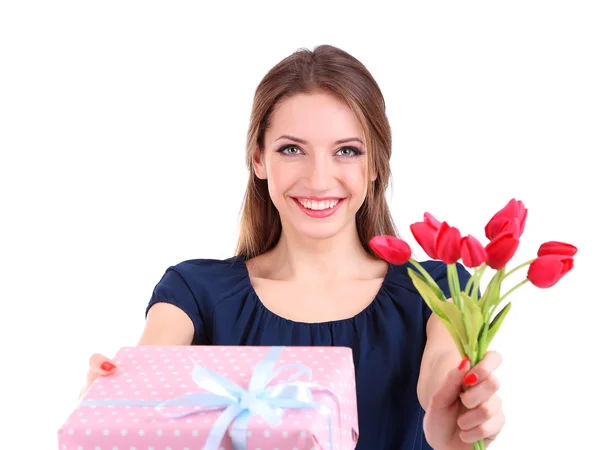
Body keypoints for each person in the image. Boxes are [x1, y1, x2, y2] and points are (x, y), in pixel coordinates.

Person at [81, 44, 505, 449]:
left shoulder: (437, 289)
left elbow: (442, 370)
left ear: (376, 163)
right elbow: (150, 369)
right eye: (291, 149)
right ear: (259, 159)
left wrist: (452, 410)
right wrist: (114, 408)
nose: (319, 179)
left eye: (346, 151)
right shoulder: (195, 292)